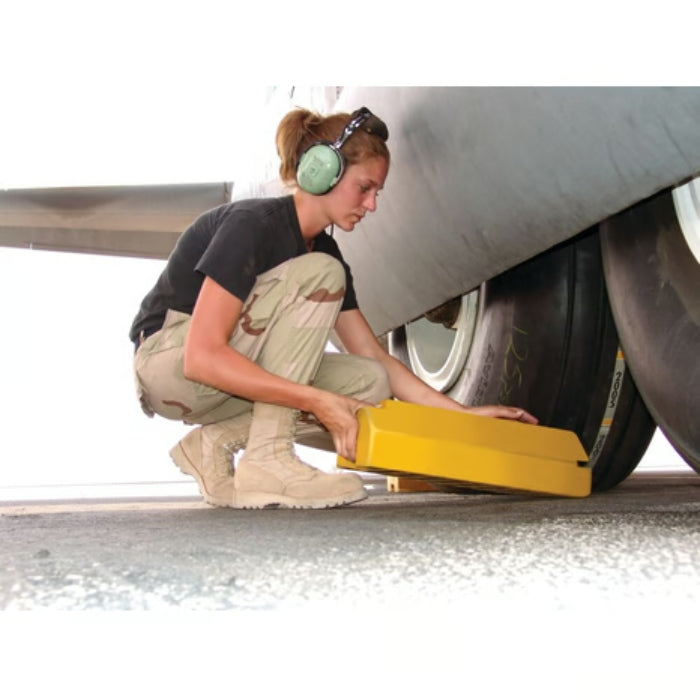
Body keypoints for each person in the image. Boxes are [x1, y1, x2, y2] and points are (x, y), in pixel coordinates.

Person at [129, 106, 537, 510]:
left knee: (370, 382)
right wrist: (315, 400)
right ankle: (268, 459)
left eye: (377, 193)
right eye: (364, 188)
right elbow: (201, 358)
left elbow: (373, 354)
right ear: (322, 172)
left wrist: (465, 416)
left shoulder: (324, 251)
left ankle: (214, 444)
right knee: (322, 274)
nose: (371, 205)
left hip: (225, 381)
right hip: (171, 366)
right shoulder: (253, 226)